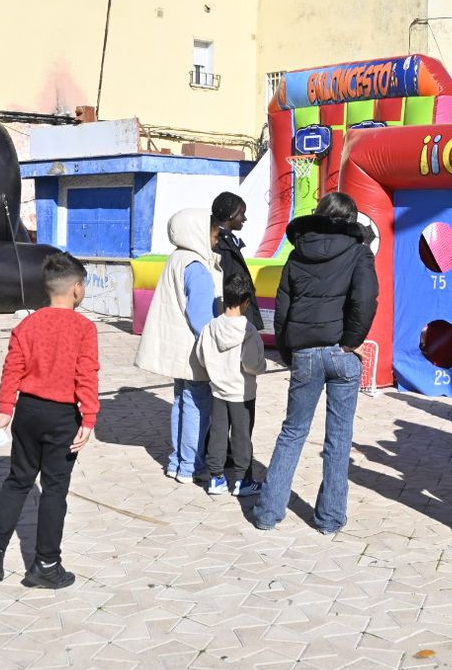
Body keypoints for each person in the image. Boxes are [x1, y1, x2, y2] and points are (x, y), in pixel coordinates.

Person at [252, 191, 379, 535]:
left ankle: (267, 513)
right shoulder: (359, 252)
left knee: (292, 432)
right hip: (342, 352)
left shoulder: (297, 253)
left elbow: (282, 307)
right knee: (339, 437)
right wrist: (351, 340)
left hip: (305, 352)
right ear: (351, 220)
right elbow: (366, 300)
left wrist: (288, 351)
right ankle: (330, 519)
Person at [0, 252, 99, 590]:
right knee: (54, 490)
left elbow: (12, 368)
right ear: (77, 288)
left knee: (18, 481)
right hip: (62, 416)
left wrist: (5, 409)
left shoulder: (27, 325)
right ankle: (46, 564)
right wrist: (89, 417)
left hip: (27, 412)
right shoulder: (84, 328)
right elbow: (86, 374)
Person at [134, 208, 221, 482]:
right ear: (198, 232)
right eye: (214, 231)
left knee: (182, 403)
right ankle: (190, 466)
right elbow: (201, 316)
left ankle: (177, 461)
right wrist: (216, 347)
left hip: (178, 350)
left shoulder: (176, 259)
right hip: (193, 351)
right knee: (197, 406)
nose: (217, 237)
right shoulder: (197, 266)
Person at [200, 271, 268, 496]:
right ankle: (243, 480)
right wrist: (262, 367)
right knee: (242, 436)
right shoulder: (249, 331)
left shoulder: (211, 327)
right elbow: (251, 364)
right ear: (246, 302)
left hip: (218, 391)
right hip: (242, 393)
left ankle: (216, 478)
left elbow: (201, 356)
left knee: (218, 434)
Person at [211, 191, 264, 333]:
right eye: (241, 213)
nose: (244, 218)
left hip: (237, 314)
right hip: (232, 318)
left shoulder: (229, 243)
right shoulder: (220, 245)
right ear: (231, 214)